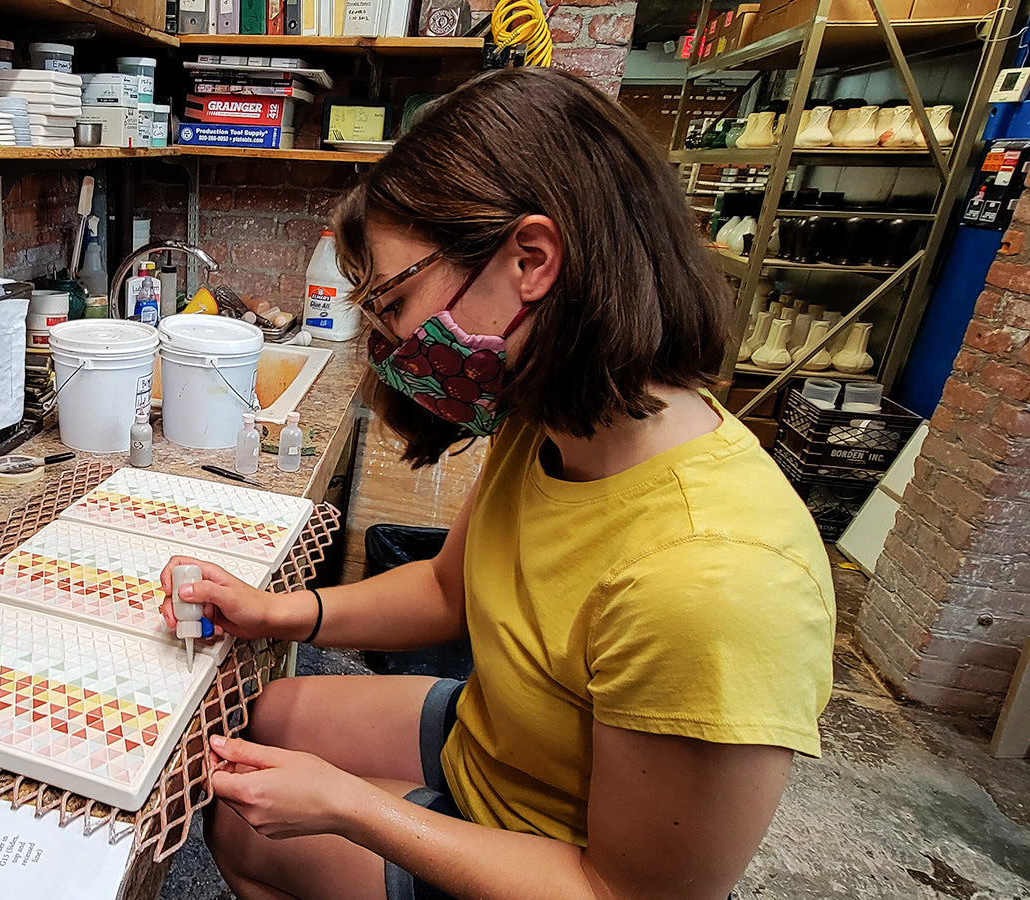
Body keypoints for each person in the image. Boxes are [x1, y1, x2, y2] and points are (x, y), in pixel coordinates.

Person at [160, 67, 835, 900]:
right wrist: (280, 610)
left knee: (242, 822)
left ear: (532, 259)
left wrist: (352, 809)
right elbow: (451, 589)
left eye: (396, 300)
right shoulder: (553, 419)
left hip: (565, 865)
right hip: (506, 745)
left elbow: (628, 893)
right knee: (258, 721)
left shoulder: (717, 581)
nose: (393, 339)